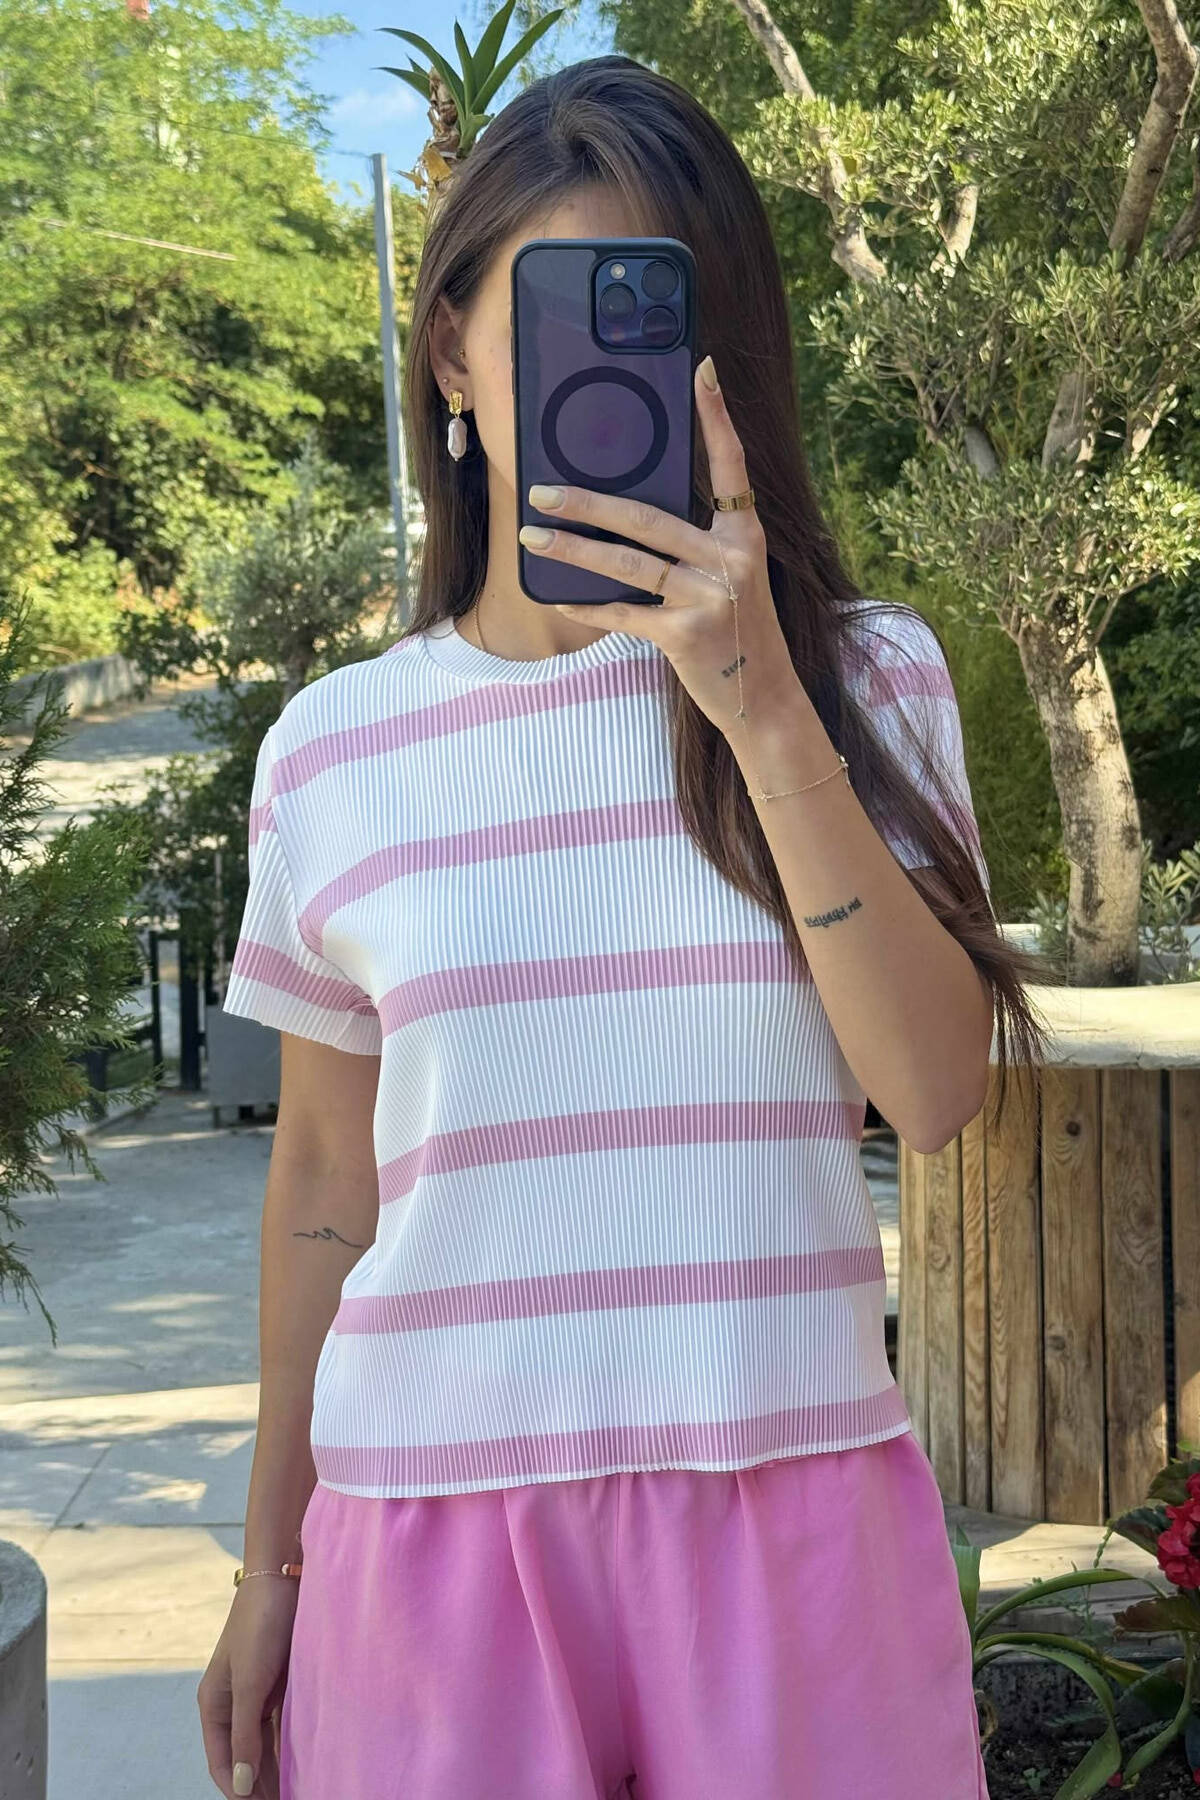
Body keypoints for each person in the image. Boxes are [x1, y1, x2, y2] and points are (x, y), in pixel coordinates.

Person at [198, 52, 1047, 1800]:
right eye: (556, 321)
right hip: (428, 1541)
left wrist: (761, 706)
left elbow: (935, 1089)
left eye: (663, 326)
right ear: (454, 353)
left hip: (790, 1518)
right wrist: (268, 1566)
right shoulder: (332, 750)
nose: (609, 383)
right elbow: (322, 1188)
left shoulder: (867, 680)